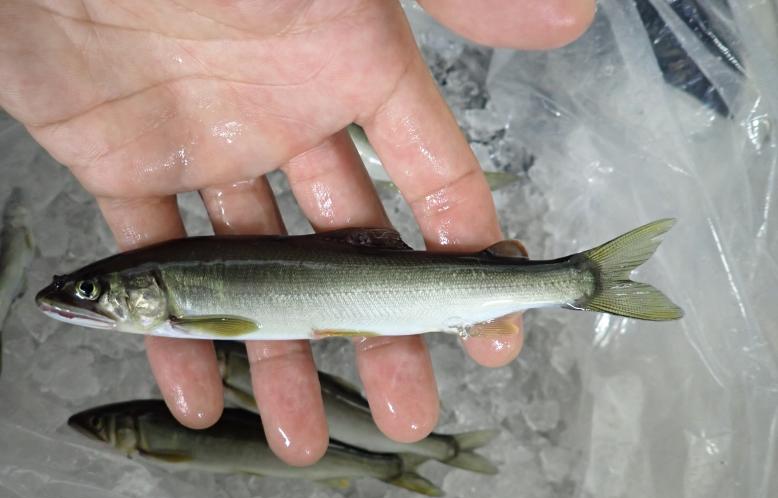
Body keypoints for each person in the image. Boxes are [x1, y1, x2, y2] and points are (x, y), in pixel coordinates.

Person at [0, 1, 594, 465]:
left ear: (146, 287)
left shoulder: (180, 302)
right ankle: (577, 280)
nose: (78, 301)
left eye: (90, 293)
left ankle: (577, 280)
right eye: (87, 291)